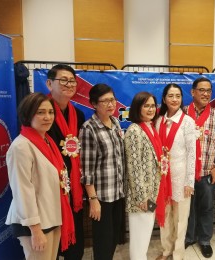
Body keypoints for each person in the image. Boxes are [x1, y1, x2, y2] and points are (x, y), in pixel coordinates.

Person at [5, 93, 75, 259]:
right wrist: (35, 230)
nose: (47, 117)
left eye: (51, 112)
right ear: (28, 114)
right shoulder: (21, 147)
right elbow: (23, 191)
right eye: (40, 112)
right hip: (34, 224)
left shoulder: (47, 140)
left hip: (51, 216)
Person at [185, 77, 215, 258]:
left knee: (206, 208)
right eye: (201, 90)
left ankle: (204, 240)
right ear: (193, 92)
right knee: (186, 208)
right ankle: (188, 237)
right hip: (185, 174)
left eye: (208, 90)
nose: (205, 94)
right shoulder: (182, 114)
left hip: (207, 172)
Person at [79, 84, 125, 259]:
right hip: (101, 197)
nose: (110, 104)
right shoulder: (88, 128)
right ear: (94, 104)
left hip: (118, 192)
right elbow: (87, 168)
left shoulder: (115, 123)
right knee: (103, 240)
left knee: (114, 237)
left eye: (112, 99)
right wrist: (93, 200)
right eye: (104, 101)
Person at [46, 64, 85, 259]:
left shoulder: (77, 114)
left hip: (73, 183)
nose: (69, 84)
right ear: (49, 83)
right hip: (50, 185)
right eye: (63, 80)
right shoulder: (40, 112)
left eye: (72, 81)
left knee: (75, 234)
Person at [155, 84, 197, 260]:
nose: (174, 99)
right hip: (163, 178)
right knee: (165, 218)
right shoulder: (158, 121)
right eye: (170, 96)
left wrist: (189, 182)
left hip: (181, 179)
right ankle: (166, 251)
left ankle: (178, 255)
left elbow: (192, 154)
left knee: (180, 220)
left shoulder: (188, 121)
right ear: (164, 99)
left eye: (178, 96)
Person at [124, 92, 163, 260]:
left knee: (145, 233)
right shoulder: (134, 130)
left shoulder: (150, 127)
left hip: (152, 192)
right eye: (146, 105)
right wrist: (142, 198)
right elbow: (134, 167)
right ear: (137, 107)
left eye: (153, 105)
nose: (150, 109)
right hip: (142, 197)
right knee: (139, 239)